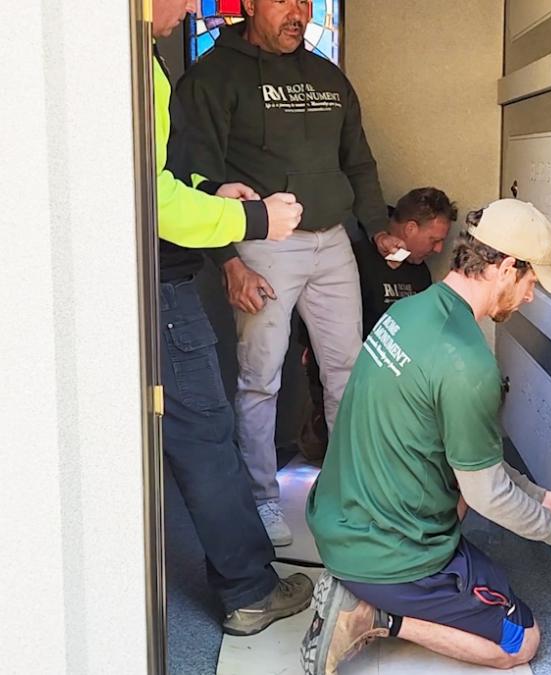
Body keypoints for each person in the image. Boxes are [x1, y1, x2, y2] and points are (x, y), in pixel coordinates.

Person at [301, 200, 551, 673]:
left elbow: (467, 459)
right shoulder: (468, 362)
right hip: (384, 553)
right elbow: (485, 494)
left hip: (340, 518)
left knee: (470, 483)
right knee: (520, 642)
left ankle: (381, 587)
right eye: (530, 282)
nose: (529, 297)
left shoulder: (411, 311)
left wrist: (539, 496)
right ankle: (371, 614)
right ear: (504, 268)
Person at [168, 0, 405, 547]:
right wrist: (228, 259)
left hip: (333, 243)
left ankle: (352, 494)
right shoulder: (214, 77)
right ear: (249, 4)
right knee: (260, 381)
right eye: (283, 1)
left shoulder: (327, 77)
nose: (297, 12)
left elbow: (358, 160)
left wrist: (376, 228)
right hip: (264, 247)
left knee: (348, 372)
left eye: (305, 1)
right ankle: (261, 500)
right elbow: (192, 178)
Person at [150, 0, 313, 636]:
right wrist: (253, 221)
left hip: (156, 281)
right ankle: (248, 591)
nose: (195, 5)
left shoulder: (144, 58)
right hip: (160, 290)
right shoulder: (140, 67)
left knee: (195, 437)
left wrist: (213, 196)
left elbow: (157, 180)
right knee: (206, 439)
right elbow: (150, 200)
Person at [296, 187, 455, 462]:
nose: (439, 249)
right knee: (327, 445)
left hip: (400, 382)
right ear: (410, 228)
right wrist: (309, 344)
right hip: (353, 376)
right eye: (434, 240)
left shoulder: (419, 270)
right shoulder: (353, 256)